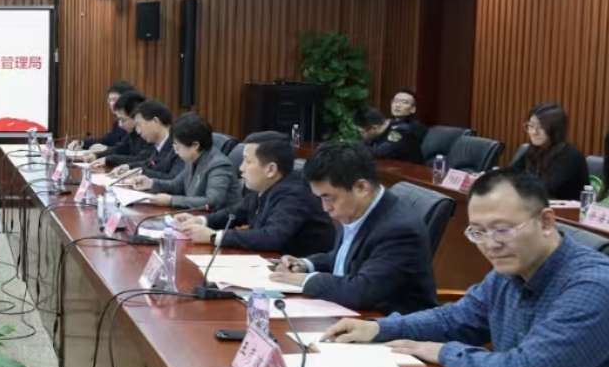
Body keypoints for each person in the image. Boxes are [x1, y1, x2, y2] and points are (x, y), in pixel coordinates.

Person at [323, 170, 609, 367]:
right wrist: (380, 328)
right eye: (478, 232)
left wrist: (444, 352)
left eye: (502, 230)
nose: (491, 244)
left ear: (546, 221)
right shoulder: (511, 270)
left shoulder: (593, 286)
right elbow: (457, 318)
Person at [268, 141, 437, 314]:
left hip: (385, 323)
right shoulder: (357, 208)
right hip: (348, 313)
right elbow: (345, 258)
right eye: (320, 198)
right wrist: (306, 264)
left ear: (361, 188)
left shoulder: (399, 230)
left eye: (328, 197)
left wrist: (305, 280)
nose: (325, 208)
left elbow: (363, 291)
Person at [172, 139, 333, 257]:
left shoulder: (295, 194)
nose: (241, 168)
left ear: (270, 169)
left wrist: (214, 236)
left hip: (299, 276)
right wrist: (201, 221)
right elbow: (235, 213)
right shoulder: (265, 186)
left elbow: (272, 237)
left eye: (247, 162)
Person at [125, 114, 240, 212]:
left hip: (220, 224)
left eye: (178, 147)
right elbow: (175, 185)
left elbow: (211, 201)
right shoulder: (193, 159)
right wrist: (150, 183)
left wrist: (172, 200)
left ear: (195, 145)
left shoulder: (219, 165)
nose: (175, 151)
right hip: (195, 217)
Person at [511, 102, 589, 201]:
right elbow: (510, 175)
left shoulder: (570, 157)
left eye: (541, 127)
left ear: (555, 130)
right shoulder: (534, 150)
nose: (534, 132)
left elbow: (546, 191)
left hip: (563, 209)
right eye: (531, 126)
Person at [112, 99, 180, 184]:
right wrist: (127, 167)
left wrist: (140, 173)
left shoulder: (178, 144)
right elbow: (148, 163)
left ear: (156, 122)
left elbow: (174, 180)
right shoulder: (159, 144)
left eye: (139, 125)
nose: (138, 131)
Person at [69, 80, 137, 154]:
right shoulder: (118, 121)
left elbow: (132, 152)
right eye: (110, 100)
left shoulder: (137, 121)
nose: (112, 104)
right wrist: (82, 143)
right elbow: (107, 140)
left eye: (115, 99)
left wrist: (107, 149)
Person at [89, 92, 149, 170]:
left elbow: (142, 159)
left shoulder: (149, 134)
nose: (120, 124)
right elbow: (120, 148)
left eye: (123, 120)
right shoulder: (132, 132)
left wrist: (109, 159)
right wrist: (97, 155)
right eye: (118, 119)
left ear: (136, 116)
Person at [358, 97, 424, 164]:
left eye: (362, 131)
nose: (361, 134)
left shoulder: (401, 131)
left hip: (411, 169)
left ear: (374, 127)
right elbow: (362, 147)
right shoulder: (375, 132)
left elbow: (379, 152)